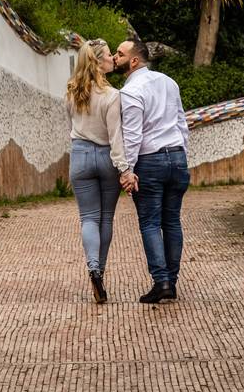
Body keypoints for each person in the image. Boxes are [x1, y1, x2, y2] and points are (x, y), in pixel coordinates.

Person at [113, 38, 190, 303]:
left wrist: (128, 170)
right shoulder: (169, 82)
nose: (114, 57)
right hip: (177, 158)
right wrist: (182, 157)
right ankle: (172, 280)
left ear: (134, 60)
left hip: (150, 161)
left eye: (119, 54)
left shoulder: (131, 92)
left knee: (150, 223)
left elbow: (132, 135)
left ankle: (162, 282)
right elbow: (182, 124)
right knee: (172, 221)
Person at [65, 38, 130, 304]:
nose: (112, 59)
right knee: (105, 218)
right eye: (108, 56)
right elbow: (116, 137)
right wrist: (124, 168)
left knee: (88, 218)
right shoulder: (112, 95)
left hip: (80, 155)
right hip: (106, 157)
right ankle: (99, 272)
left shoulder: (71, 92)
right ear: (98, 62)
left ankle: (93, 269)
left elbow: (70, 126)